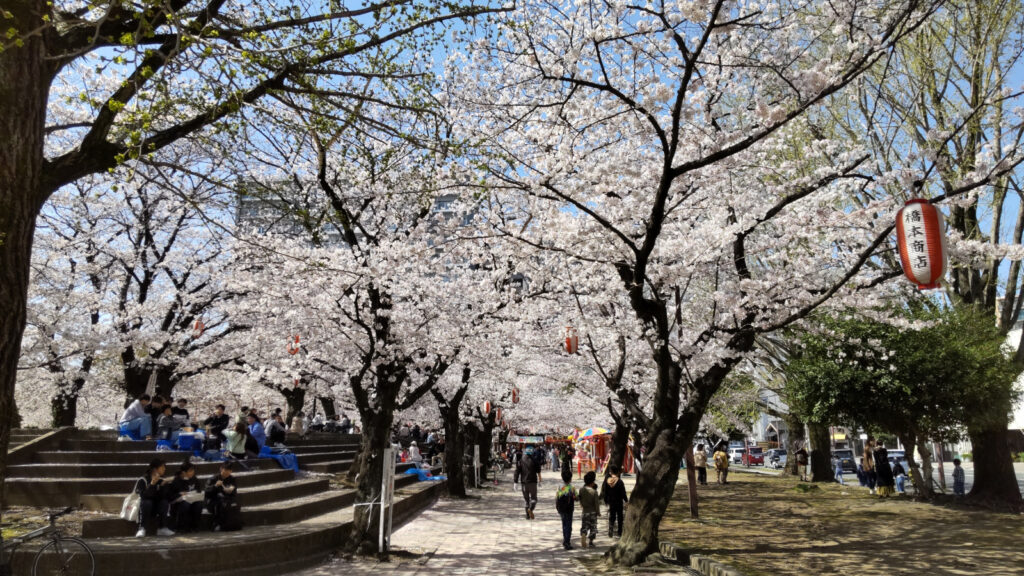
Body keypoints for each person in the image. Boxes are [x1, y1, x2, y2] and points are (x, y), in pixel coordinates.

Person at [134, 458, 174, 537]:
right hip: (144, 508)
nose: (164, 469)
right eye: (162, 467)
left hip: (156, 507)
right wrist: (152, 484)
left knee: (164, 502)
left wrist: (163, 486)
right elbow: (144, 496)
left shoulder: (162, 480)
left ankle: (162, 528)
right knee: (147, 502)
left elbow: (164, 497)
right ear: (155, 469)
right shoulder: (143, 480)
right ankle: (142, 528)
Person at [165, 460, 204, 533]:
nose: (192, 473)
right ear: (183, 472)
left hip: (192, 499)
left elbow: (198, 489)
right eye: (190, 471)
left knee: (199, 504)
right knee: (185, 505)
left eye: (193, 471)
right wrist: (180, 494)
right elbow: (170, 496)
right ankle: (181, 527)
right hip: (179, 503)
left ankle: (194, 526)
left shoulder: (194, 479)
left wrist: (196, 493)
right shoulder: (176, 481)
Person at [204, 461, 239, 531]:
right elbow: (207, 492)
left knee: (232, 504)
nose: (227, 472)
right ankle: (216, 524)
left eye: (229, 470)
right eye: (225, 470)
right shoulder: (213, 479)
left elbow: (234, 492)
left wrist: (230, 491)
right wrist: (215, 486)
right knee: (220, 503)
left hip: (226, 500)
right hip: (212, 501)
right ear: (221, 469)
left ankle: (230, 524)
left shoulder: (232, 479)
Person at [600, 464, 628, 538]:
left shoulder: (608, 481)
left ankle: (611, 529)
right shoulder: (620, 482)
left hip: (611, 501)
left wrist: (606, 500)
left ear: (611, 472)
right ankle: (619, 532)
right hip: (619, 501)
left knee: (612, 516)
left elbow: (605, 491)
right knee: (620, 517)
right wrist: (626, 500)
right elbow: (623, 492)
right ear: (618, 472)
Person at [515, 445, 541, 519]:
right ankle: (531, 509)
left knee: (526, 500)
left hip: (524, 483)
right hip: (533, 482)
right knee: (534, 498)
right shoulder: (535, 460)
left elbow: (517, 471)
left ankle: (527, 515)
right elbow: (538, 471)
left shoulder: (521, 460)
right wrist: (540, 480)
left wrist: (515, 482)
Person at [555, 469, 578, 550]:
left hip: (561, 508)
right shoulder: (572, 488)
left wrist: (557, 506)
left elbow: (557, 497)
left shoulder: (560, 487)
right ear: (570, 479)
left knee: (564, 524)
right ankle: (567, 542)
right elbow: (576, 497)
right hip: (569, 509)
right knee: (568, 525)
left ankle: (565, 540)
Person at [579, 471, 600, 548]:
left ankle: (584, 534)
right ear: (592, 482)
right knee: (593, 527)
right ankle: (591, 542)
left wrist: (581, 504)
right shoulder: (594, 492)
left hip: (585, 511)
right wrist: (598, 512)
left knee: (584, 526)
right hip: (593, 512)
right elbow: (596, 504)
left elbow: (579, 498)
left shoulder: (581, 489)